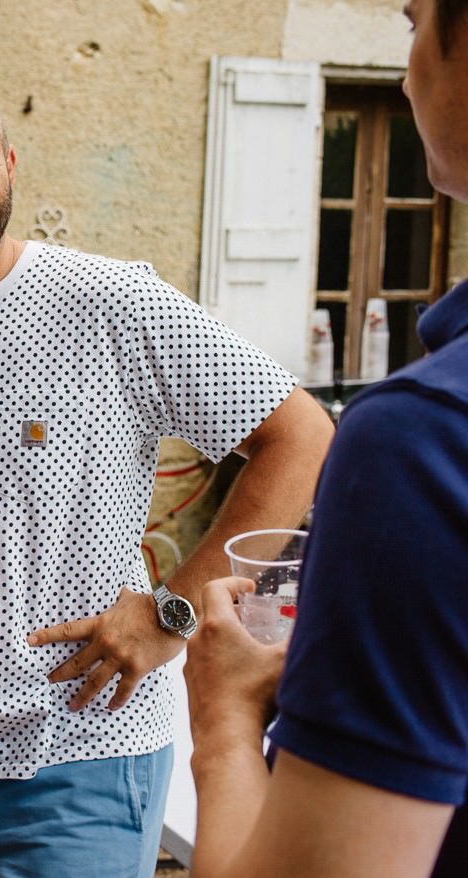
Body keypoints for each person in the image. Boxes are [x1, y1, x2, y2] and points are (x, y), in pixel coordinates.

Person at [0, 72, 335, 877]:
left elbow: (300, 434)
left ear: (10, 166)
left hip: (81, 756)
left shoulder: (110, 300)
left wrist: (170, 613)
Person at [184, 1, 468, 874]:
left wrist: (226, 725)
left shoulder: (422, 444)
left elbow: (294, 428)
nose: (407, 62)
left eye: (414, 23)